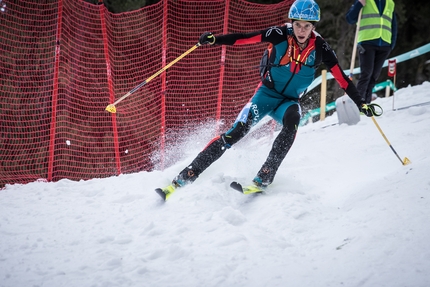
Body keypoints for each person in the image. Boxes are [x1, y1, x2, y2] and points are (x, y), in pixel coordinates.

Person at [157, 0, 368, 200]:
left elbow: (342, 79)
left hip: (289, 102)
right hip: (265, 96)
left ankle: (264, 176)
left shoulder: (321, 48)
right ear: (292, 23)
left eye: (307, 26)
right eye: (298, 25)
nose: (302, 31)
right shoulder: (278, 34)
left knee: (292, 122)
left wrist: (361, 103)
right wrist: (215, 40)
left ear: (313, 26)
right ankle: (187, 175)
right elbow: (244, 38)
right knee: (235, 133)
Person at [346, 0, 397, 104]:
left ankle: (366, 103)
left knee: (374, 76)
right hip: (366, 42)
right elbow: (350, 19)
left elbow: (394, 24)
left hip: (384, 45)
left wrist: (392, 44)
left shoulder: (390, 3)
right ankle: (359, 104)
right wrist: (359, 4)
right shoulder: (364, 1)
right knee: (366, 74)